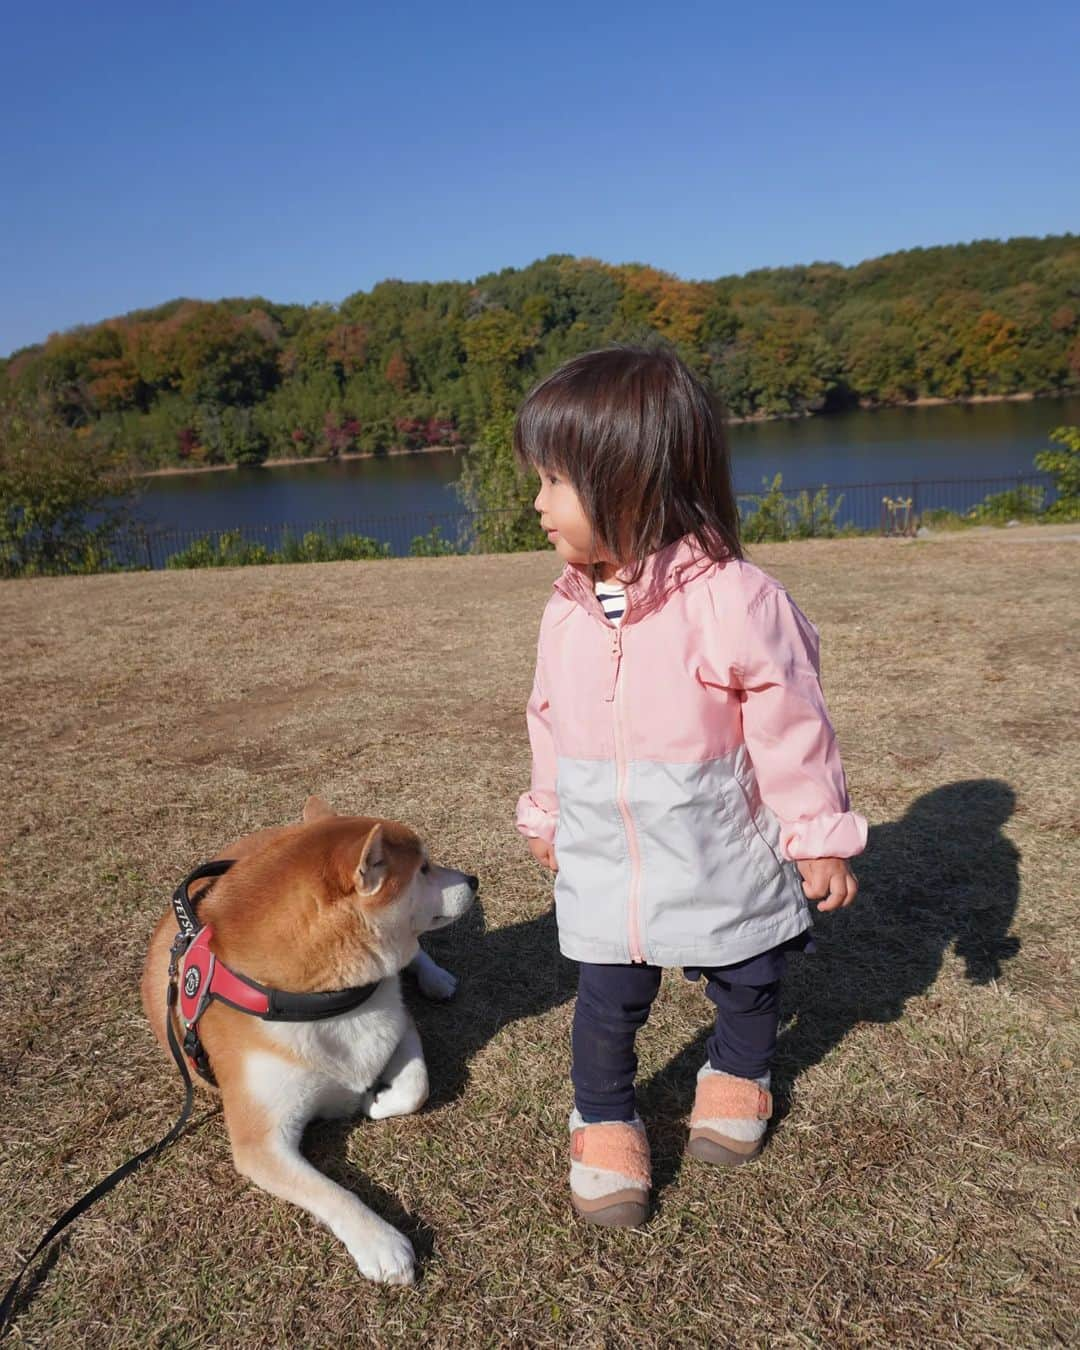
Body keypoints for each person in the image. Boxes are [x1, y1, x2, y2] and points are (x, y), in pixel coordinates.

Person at [514, 344, 867, 1227]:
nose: (538, 504)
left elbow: (793, 724)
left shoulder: (735, 599)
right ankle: (602, 1121)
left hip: (715, 838)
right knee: (606, 1001)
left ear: (628, 481)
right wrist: (549, 807)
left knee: (748, 972)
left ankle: (738, 1074)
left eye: (555, 481)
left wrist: (817, 831)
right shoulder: (564, 607)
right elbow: (548, 714)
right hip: (607, 854)